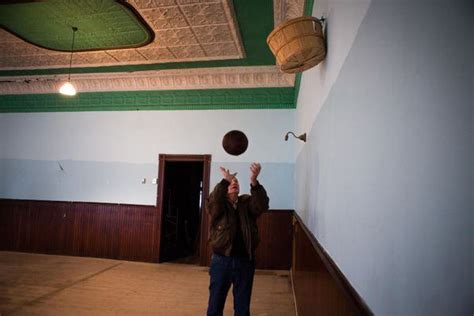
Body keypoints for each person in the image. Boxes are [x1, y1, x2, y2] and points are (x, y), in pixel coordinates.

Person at [206, 163, 269, 316]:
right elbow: (214, 202)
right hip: (221, 261)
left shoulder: (246, 202)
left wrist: (254, 182)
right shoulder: (218, 206)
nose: (234, 183)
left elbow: (262, 205)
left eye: (236, 182)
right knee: (215, 304)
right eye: (231, 182)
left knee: (242, 307)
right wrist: (224, 181)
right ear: (225, 189)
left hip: (245, 261)